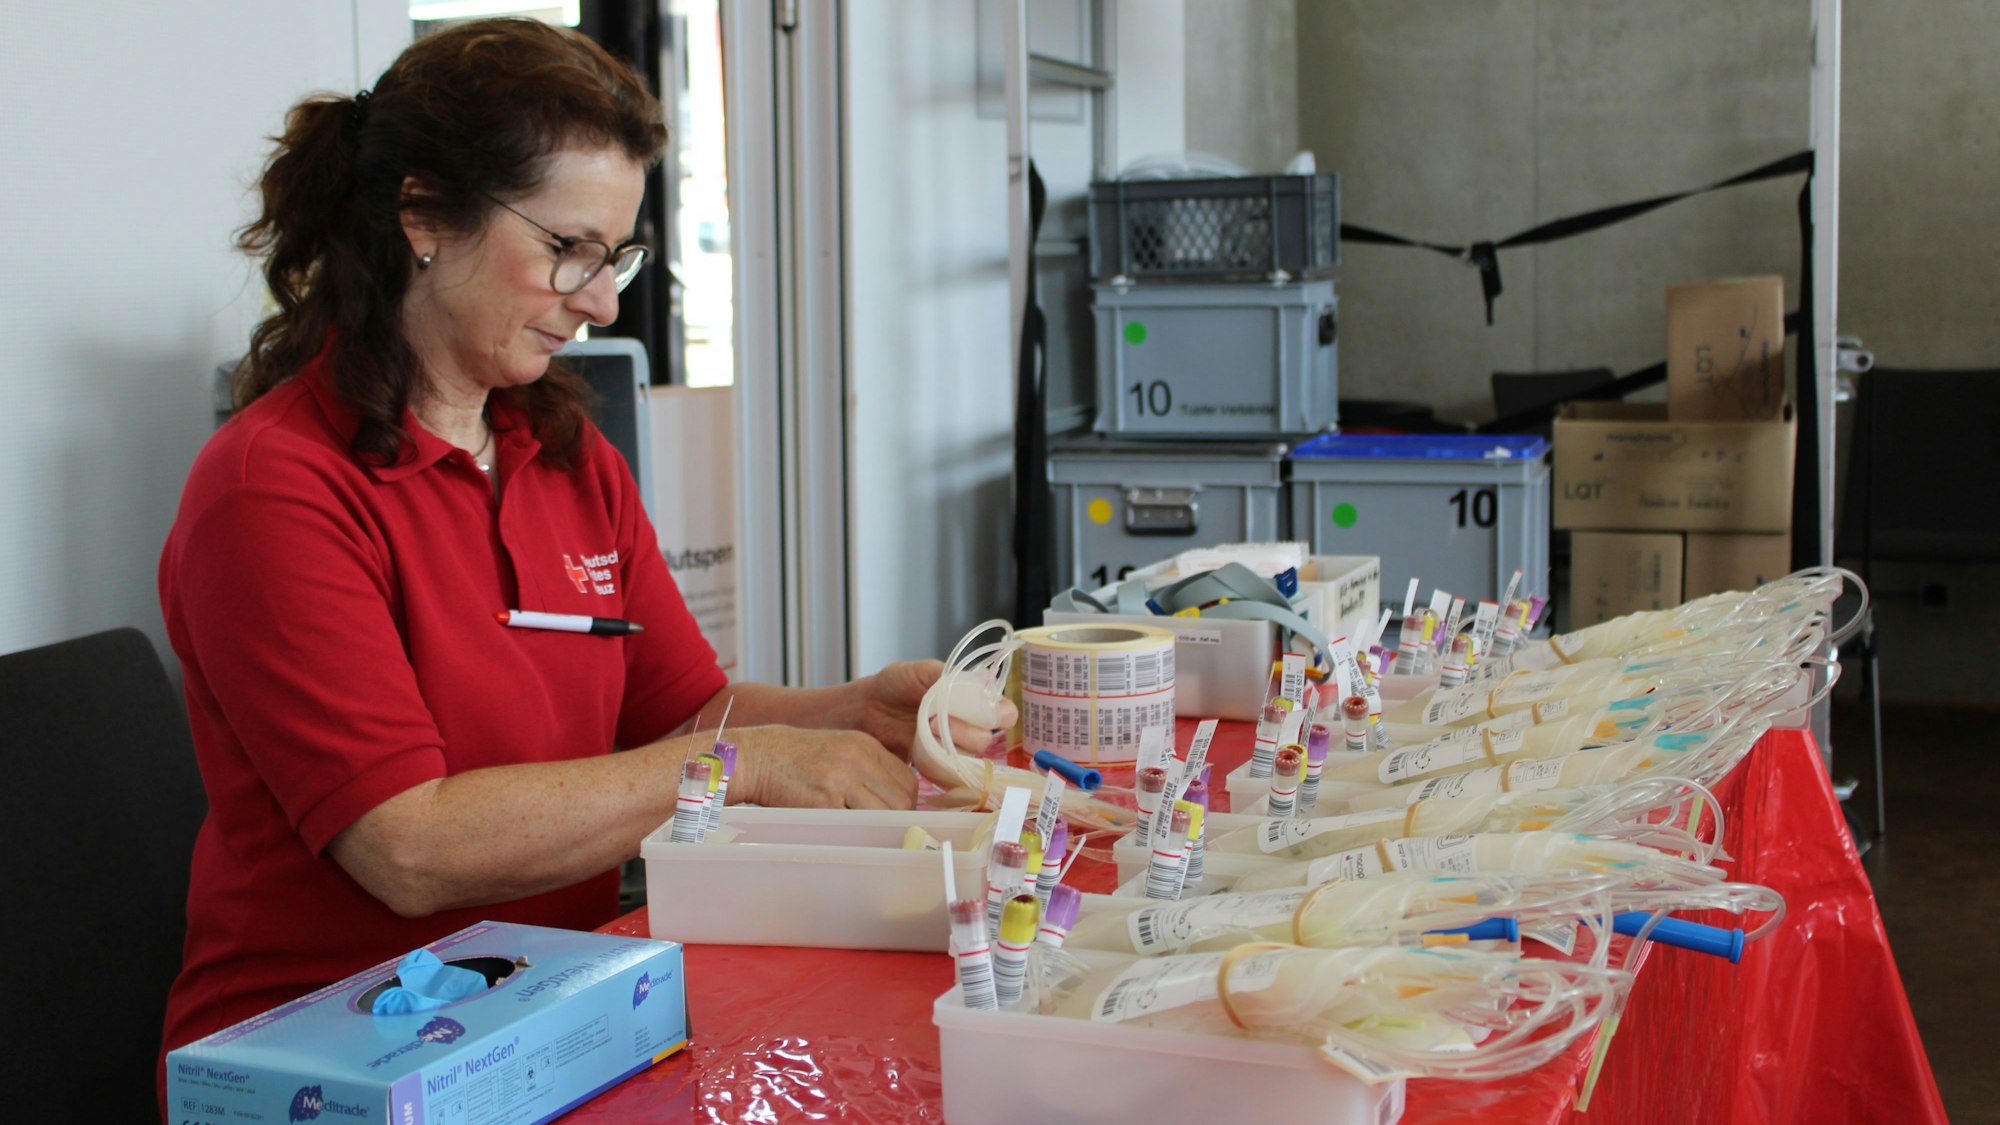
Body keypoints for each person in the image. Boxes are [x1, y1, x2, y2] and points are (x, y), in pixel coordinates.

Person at [156, 19, 1003, 1084]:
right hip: (330, 1057)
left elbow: (680, 717)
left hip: (554, 1009)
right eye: (567, 250)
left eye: (618, 256)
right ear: (423, 216)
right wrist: (749, 767)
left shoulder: (560, 454)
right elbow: (408, 847)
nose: (601, 302)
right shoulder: (272, 490)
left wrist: (851, 711)